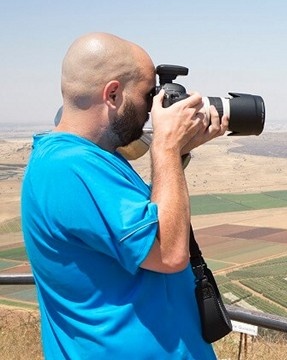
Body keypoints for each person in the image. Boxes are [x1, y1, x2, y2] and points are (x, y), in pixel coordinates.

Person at [21, 32, 228, 359]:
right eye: (148, 94)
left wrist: (178, 154)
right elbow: (169, 253)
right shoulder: (68, 167)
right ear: (113, 94)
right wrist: (167, 144)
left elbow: (148, 223)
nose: (152, 108)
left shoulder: (93, 158)